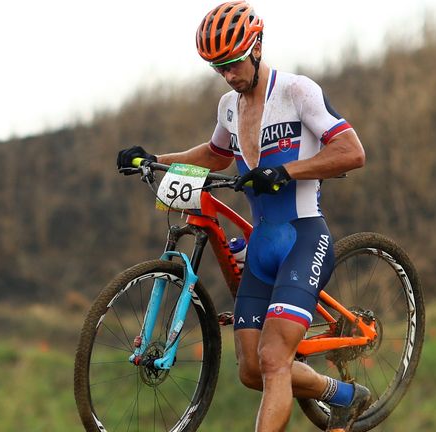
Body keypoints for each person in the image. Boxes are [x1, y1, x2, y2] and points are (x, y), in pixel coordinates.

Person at [117, 2, 368, 431]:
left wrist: (284, 172)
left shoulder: (297, 91)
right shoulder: (228, 107)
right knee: (252, 370)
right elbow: (213, 155)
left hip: (303, 238)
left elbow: (351, 152)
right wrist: (156, 159)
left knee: (274, 360)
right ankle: (343, 395)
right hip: (263, 249)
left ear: (256, 47)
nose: (229, 76)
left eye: (233, 64)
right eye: (219, 69)